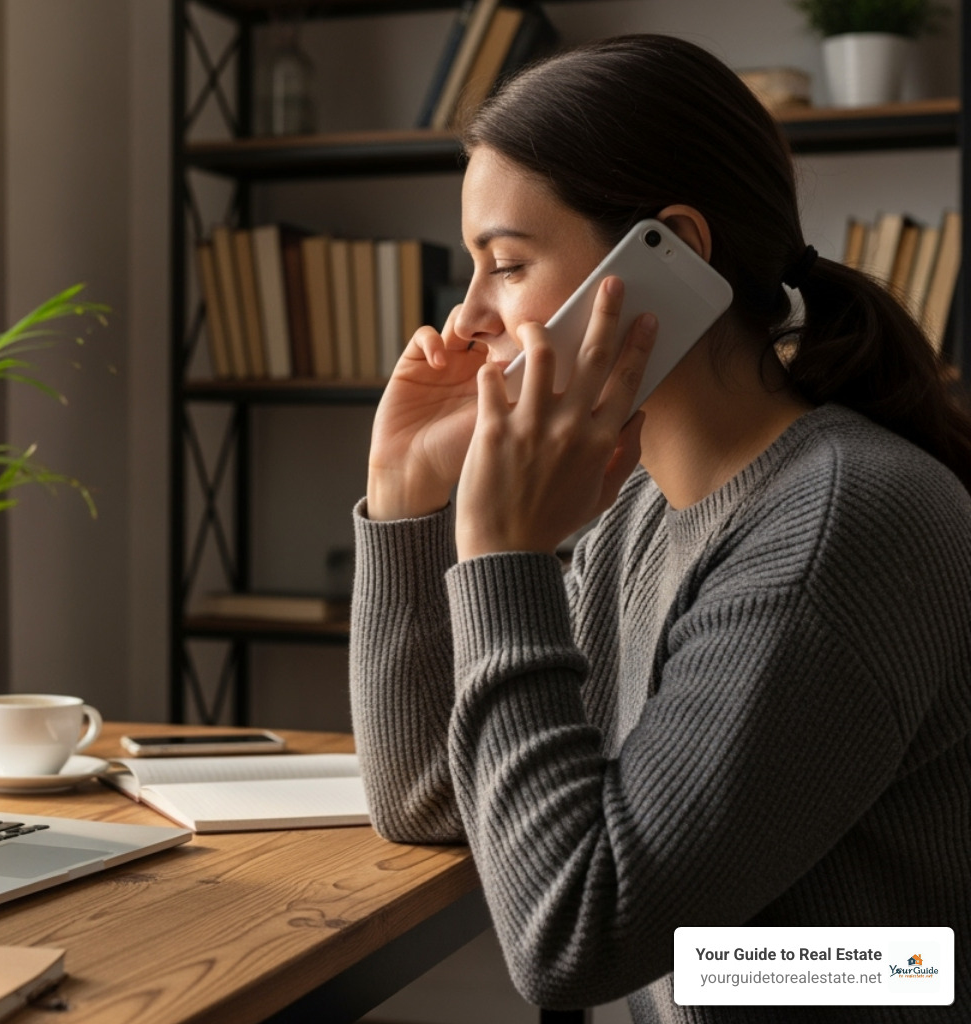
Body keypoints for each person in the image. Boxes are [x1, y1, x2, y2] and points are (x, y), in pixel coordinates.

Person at [350, 34, 971, 1022]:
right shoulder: (644, 504)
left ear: (669, 250)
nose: (465, 318)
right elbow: (431, 800)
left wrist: (504, 557)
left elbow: (573, 937)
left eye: (506, 263)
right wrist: (407, 496)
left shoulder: (842, 520)